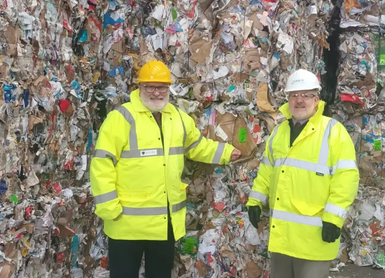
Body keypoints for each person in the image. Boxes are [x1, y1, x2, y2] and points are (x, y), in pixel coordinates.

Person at [90, 60, 241, 278]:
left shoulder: (177, 117)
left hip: (164, 223)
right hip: (125, 223)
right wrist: (109, 209)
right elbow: (102, 164)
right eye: (150, 87)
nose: (156, 93)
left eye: (161, 87)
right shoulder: (121, 118)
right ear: (139, 87)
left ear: (168, 89)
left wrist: (226, 153)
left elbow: (196, 146)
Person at [246, 69, 359, 278]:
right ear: (287, 99)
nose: (300, 101)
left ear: (316, 100)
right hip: (281, 237)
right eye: (294, 95)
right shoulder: (279, 132)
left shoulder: (333, 131)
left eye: (306, 95)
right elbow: (266, 171)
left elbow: (347, 178)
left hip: (313, 240)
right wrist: (255, 201)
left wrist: (334, 218)